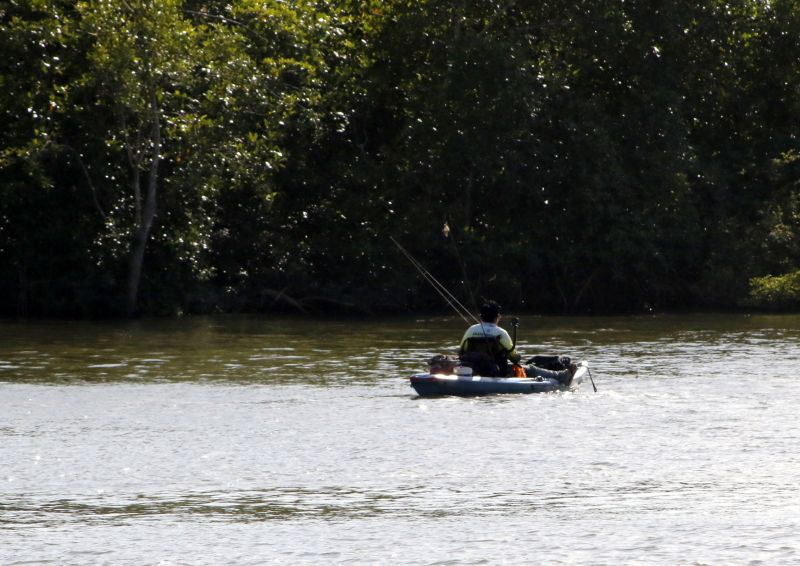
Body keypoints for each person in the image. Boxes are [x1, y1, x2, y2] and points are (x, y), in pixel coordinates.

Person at [459, 300, 577, 385]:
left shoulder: (471, 330)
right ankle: (562, 376)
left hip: (475, 369)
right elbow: (515, 358)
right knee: (530, 368)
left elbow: (462, 352)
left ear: (481, 316)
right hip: (497, 372)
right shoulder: (501, 333)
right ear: (498, 317)